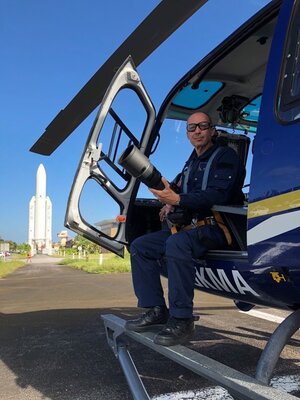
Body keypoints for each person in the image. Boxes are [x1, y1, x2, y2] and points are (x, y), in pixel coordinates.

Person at [125, 112, 245, 346]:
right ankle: (156, 309)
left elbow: (217, 194)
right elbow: (179, 189)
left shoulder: (225, 157)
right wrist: (170, 201)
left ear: (212, 130)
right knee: (141, 246)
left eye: (202, 126)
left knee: (176, 243)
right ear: (188, 134)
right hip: (191, 229)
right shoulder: (191, 164)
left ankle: (182, 320)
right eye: (192, 128)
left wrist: (178, 200)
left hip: (217, 228)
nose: (197, 131)